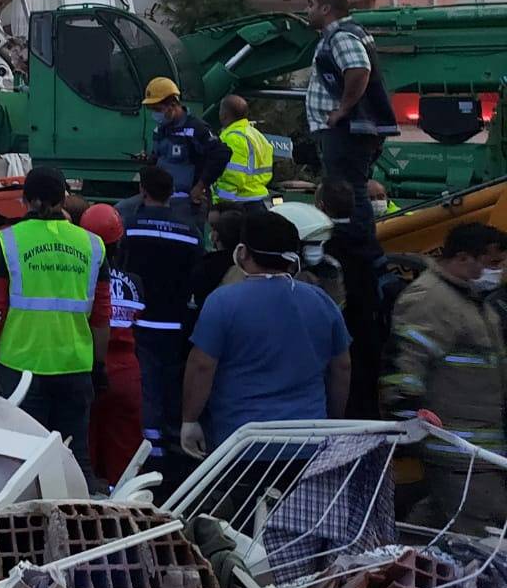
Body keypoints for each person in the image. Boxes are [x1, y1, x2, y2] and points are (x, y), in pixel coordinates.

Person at [182, 210, 351, 460]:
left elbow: (202, 366)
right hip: (308, 442)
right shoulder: (321, 301)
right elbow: (342, 367)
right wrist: (333, 421)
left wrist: (190, 420)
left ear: (242, 253)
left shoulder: (222, 302)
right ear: (294, 258)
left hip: (241, 444)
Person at [0, 167, 110, 481]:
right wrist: (99, 365)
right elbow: (102, 316)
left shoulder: (7, 242)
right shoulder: (93, 244)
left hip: (21, 367)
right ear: (63, 199)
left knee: (25, 460)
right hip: (75, 366)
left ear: (25, 201)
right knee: (76, 459)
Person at [381, 222, 506, 534]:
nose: (498, 272)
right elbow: (405, 370)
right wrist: (409, 423)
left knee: (436, 519)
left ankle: (389, 564)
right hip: (459, 447)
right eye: (492, 263)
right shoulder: (431, 300)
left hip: (472, 444)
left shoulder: (469, 301)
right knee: (482, 530)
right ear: (463, 258)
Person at [113, 165, 201, 481]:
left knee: (146, 387)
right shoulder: (190, 233)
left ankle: (153, 455)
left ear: (144, 191)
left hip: (141, 320)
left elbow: (120, 272)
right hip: (176, 322)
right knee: (171, 385)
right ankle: (177, 447)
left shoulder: (131, 228)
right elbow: (196, 277)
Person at [305, 0, 398, 243]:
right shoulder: (341, 34)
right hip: (351, 129)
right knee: (348, 190)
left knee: (348, 192)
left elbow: (358, 69)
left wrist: (343, 110)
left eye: (310, 4)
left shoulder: (341, 36)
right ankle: (357, 247)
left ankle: (356, 249)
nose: (307, 10)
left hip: (347, 129)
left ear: (326, 9)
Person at [80, 203, 143, 487]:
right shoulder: (136, 281)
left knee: (84, 444)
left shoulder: (80, 279)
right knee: (125, 448)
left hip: (88, 364)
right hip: (127, 371)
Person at [317, 179, 385, 419]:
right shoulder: (368, 239)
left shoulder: (323, 245)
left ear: (321, 206)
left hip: (338, 328)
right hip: (369, 327)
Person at [141, 76, 227, 226]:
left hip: (187, 203)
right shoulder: (161, 130)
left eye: (158, 110)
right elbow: (158, 159)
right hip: (160, 200)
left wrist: (200, 187)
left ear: (173, 105)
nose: (155, 115)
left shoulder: (196, 128)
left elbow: (221, 154)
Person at [213, 95, 273, 210]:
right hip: (259, 199)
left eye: (220, 110)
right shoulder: (256, 135)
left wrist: (221, 205)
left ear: (224, 114)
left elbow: (232, 176)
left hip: (241, 204)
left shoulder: (233, 138)